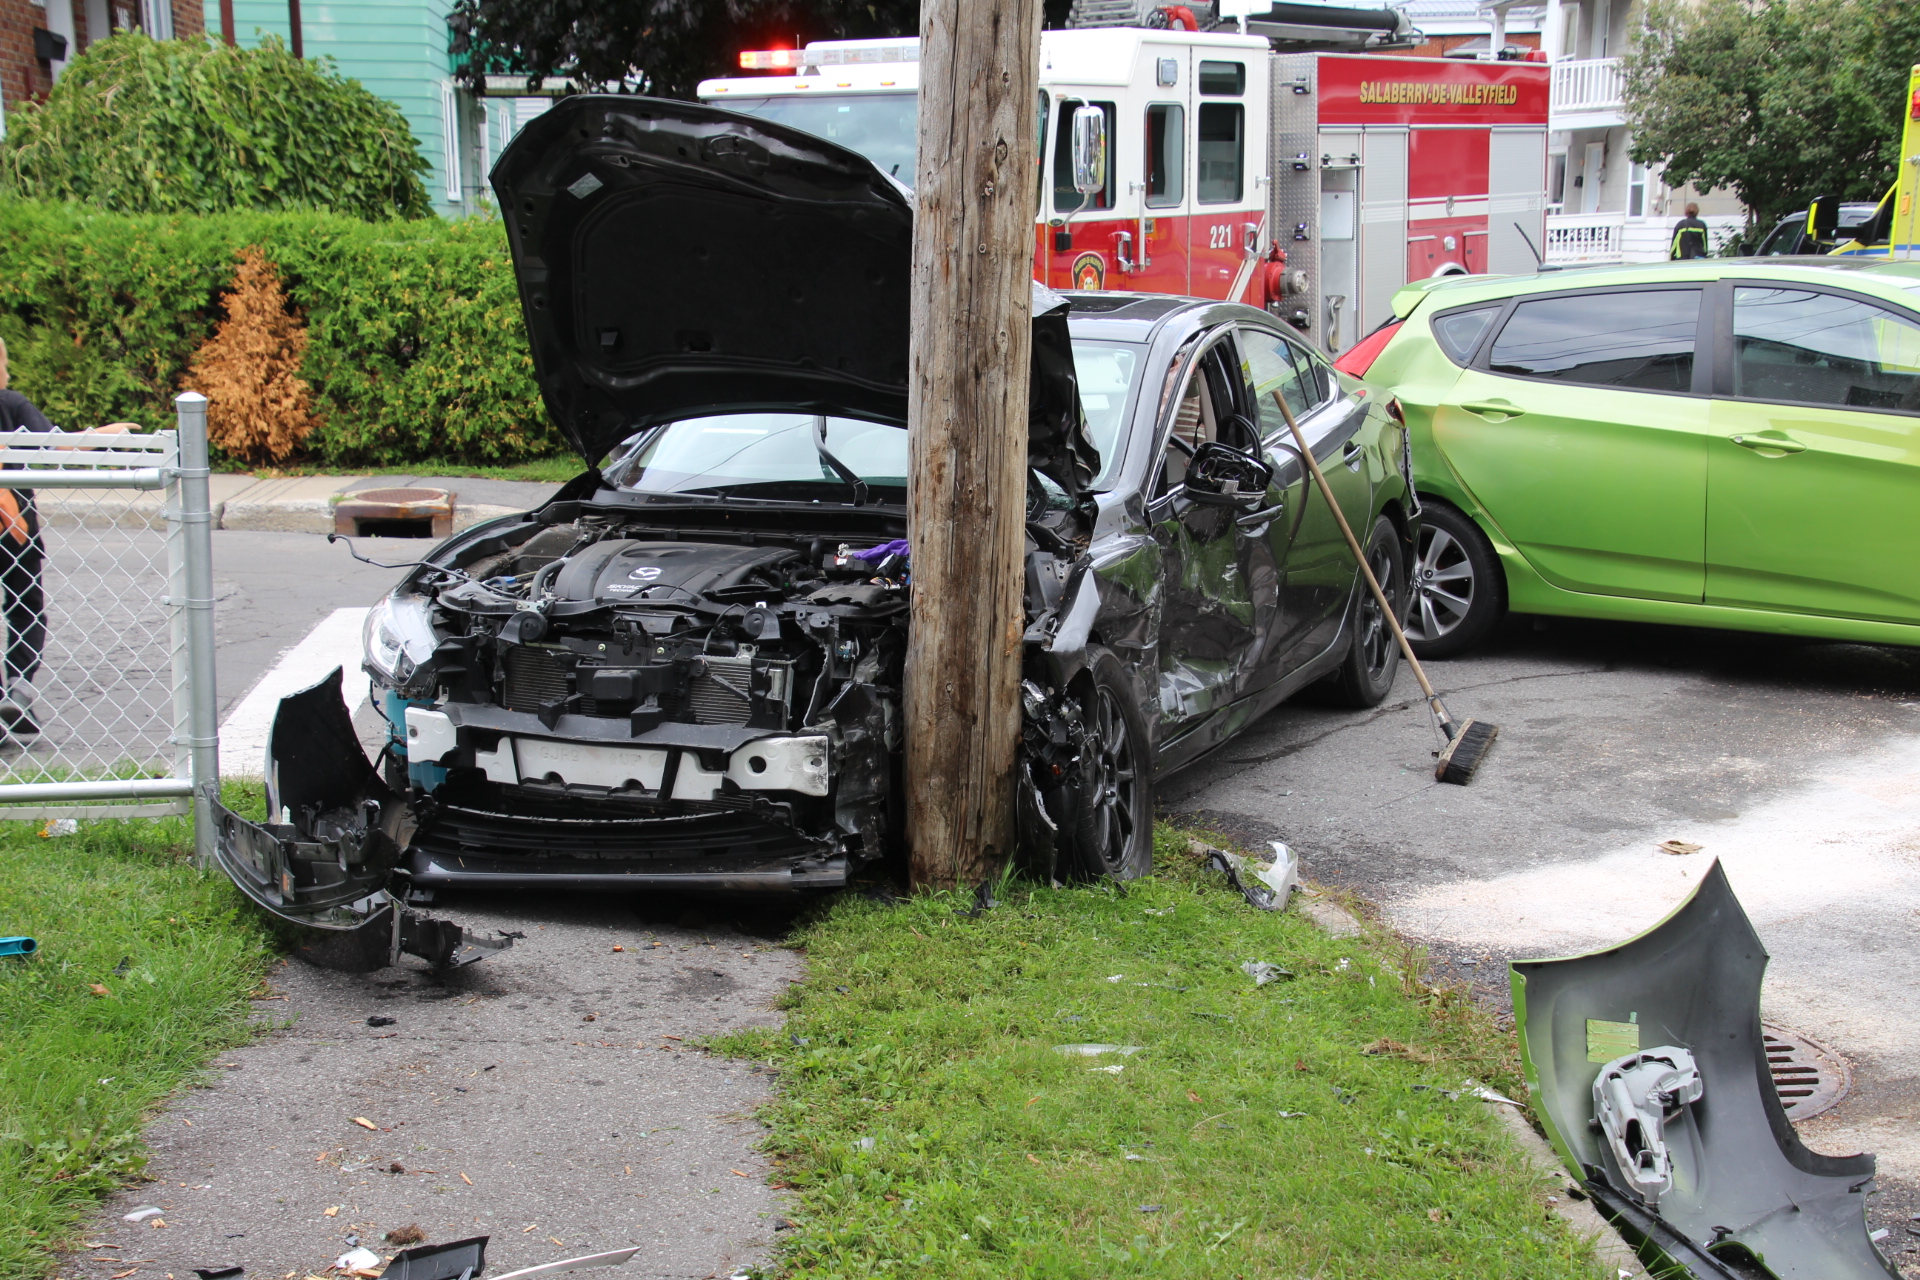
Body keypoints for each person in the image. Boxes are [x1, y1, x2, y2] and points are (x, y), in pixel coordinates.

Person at [0, 338, 50, 736]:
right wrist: (106, 435)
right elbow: (53, 442)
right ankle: (18, 685)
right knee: (25, 604)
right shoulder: (11, 402)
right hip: (13, 521)